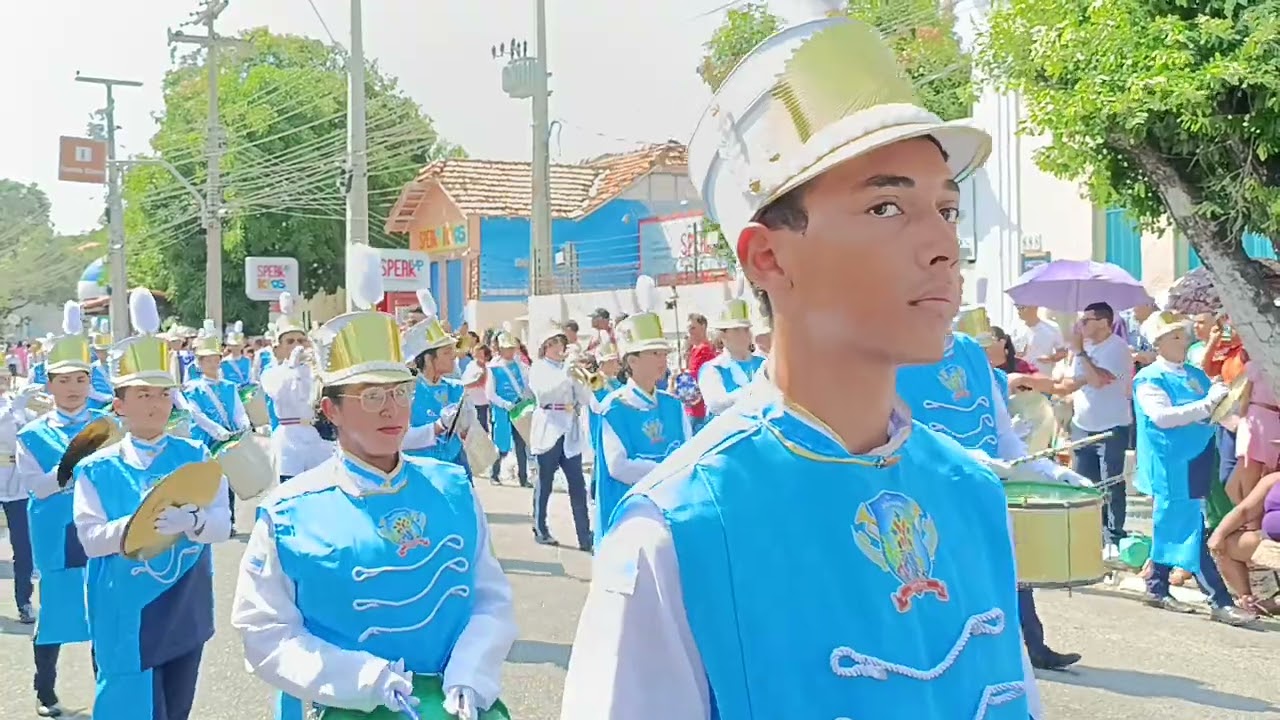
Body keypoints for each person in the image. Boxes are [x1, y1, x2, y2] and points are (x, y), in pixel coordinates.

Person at [561, 9, 1040, 718]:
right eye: (886, 208)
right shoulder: (678, 531)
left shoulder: (971, 491)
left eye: (948, 209)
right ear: (770, 257)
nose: (943, 245)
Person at [230, 245, 517, 720]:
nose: (391, 409)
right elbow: (265, 631)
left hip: (459, 704)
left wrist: (472, 671)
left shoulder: (451, 486)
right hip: (349, 706)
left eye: (401, 392)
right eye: (371, 395)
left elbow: (490, 596)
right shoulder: (289, 511)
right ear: (331, 410)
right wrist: (364, 679)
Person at [72, 288, 234, 720]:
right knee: (135, 708)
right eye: (143, 395)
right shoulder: (96, 468)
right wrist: (140, 525)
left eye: (163, 394)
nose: (155, 404)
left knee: (177, 707)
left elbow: (222, 525)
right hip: (126, 605)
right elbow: (90, 539)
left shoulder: (197, 456)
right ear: (120, 405)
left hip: (185, 597)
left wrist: (193, 519)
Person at [897, 307, 1087, 671]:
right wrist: (967, 460)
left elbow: (1003, 436)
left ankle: (1031, 648)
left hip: (986, 496)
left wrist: (1045, 469)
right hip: (929, 508)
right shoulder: (891, 353)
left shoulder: (971, 352)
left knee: (1008, 590)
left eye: (954, 267)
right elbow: (898, 432)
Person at [1131, 311, 1256, 625]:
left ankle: (1156, 585)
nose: (1183, 339)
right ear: (1158, 343)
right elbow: (1162, 417)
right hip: (1170, 462)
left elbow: (1213, 413)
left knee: (1172, 523)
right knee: (1190, 529)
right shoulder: (1149, 377)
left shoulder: (1195, 374)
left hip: (1198, 456)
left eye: (1182, 334)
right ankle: (1219, 599)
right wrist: (1207, 404)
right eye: (1174, 336)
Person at [14, 301, 99, 717]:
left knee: (104, 610)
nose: (73, 387)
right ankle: (45, 691)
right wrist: (70, 466)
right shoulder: (30, 433)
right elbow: (36, 487)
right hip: (55, 532)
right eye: (64, 380)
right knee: (56, 616)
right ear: (49, 384)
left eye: (81, 379)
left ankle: (109, 692)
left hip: (101, 531)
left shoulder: (108, 424)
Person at [594, 277, 692, 549]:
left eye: (663, 353)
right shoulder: (613, 409)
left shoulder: (673, 405)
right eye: (654, 354)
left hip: (672, 511)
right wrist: (665, 470)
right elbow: (618, 467)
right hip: (632, 515)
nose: (663, 360)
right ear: (632, 361)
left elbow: (688, 453)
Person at [1062, 301, 1133, 558]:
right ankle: (1091, 533)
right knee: (1085, 483)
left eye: (1087, 320)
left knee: (1110, 482)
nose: (1081, 325)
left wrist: (1080, 352)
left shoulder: (1117, 347)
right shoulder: (1084, 349)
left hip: (1110, 425)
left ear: (1103, 322)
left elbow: (1099, 380)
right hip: (1083, 424)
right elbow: (1073, 382)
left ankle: (1113, 535)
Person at [528, 320, 593, 551]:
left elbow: (584, 399)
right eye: (554, 343)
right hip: (549, 426)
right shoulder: (539, 368)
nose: (559, 347)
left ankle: (585, 535)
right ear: (545, 347)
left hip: (569, 430)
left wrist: (582, 378)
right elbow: (544, 393)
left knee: (577, 485)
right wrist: (567, 373)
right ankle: (540, 528)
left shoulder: (568, 368)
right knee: (544, 482)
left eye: (561, 343)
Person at [179, 320, 251, 526]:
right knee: (205, 480)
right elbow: (196, 414)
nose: (212, 363)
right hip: (205, 439)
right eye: (207, 360)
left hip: (228, 439)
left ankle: (229, 520)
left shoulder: (229, 386)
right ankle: (203, 519)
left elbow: (238, 409)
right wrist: (217, 431)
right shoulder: (194, 388)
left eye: (215, 359)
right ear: (199, 363)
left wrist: (243, 425)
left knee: (228, 478)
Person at [401, 288, 476, 478]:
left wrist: (466, 422)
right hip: (420, 473)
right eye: (446, 353)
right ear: (427, 359)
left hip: (455, 468)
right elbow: (400, 439)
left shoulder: (456, 388)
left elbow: (467, 433)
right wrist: (437, 426)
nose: (453, 357)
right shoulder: (406, 391)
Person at [260, 293, 330, 482]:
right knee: (290, 485)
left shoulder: (316, 371)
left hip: (315, 436)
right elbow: (278, 391)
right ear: (278, 348)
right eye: (290, 342)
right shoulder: (272, 373)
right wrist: (292, 366)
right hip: (288, 438)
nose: (297, 346)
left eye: (301, 340)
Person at [696, 277, 765, 417]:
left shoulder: (764, 363)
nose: (744, 334)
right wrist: (755, 392)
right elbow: (716, 404)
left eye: (746, 329)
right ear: (723, 335)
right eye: (737, 330)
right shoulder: (713, 369)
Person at [486, 328, 532, 487]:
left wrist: (526, 399)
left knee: (521, 444)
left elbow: (526, 385)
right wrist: (505, 404)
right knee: (501, 444)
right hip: (502, 411)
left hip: (519, 409)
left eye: (512, 348)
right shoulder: (493, 368)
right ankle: (494, 474)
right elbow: (490, 393)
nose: (510, 351)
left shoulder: (520, 365)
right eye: (507, 348)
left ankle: (523, 477)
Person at [682, 313, 715, 431]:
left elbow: (696, 376)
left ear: (703, 327)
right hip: (691, 407)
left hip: (699, 410)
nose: (690, 332)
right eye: (688, 329)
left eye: (693, 328)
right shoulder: (693, 350)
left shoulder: (704, 349)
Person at [221, 322, 253, 388]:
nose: (236, 348)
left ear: (242, 346)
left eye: (238, 345)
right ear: (229, 346)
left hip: (244, 392)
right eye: (233, 346)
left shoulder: (247, 360)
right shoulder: (224, 362)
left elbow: (249, 377)